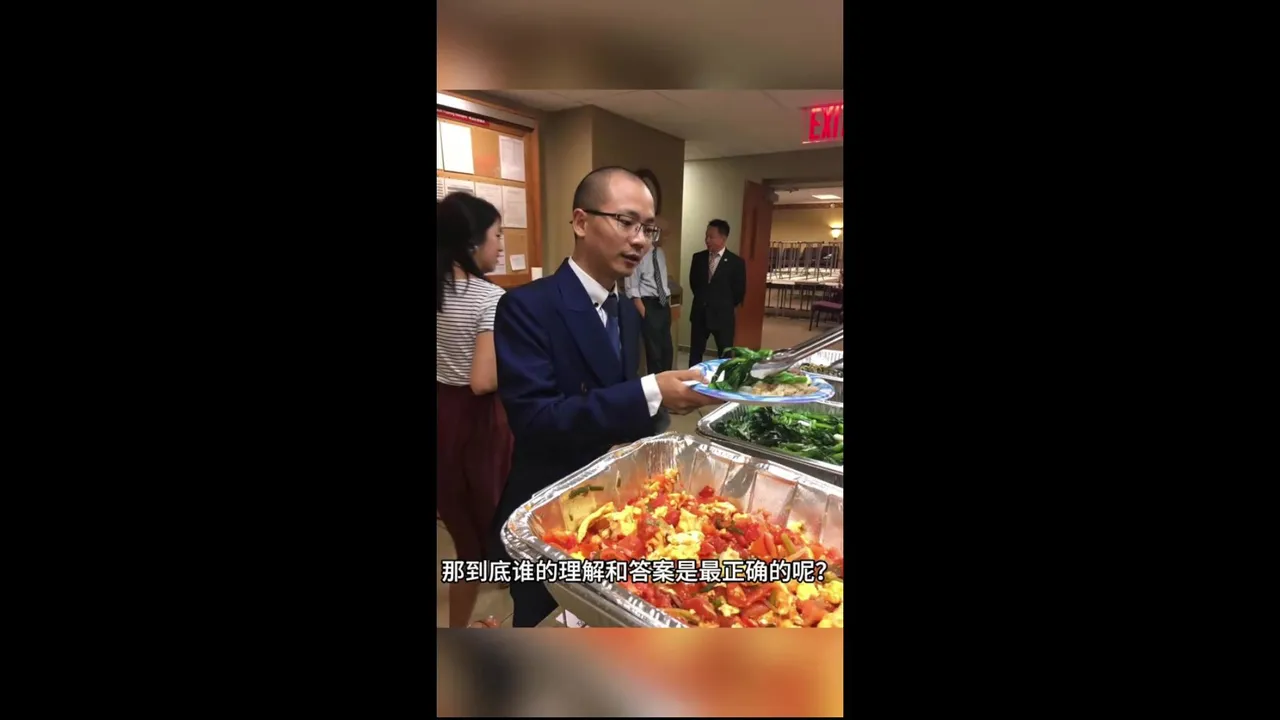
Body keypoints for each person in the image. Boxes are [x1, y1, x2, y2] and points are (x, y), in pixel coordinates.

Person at [489, 166, 721, 627]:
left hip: (613, 506)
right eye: (626, 222)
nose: (640, 240)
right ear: (580, 221)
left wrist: (665, 404)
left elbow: (617, 401)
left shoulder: (625, 311)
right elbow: (536, 421)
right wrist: (651, 390)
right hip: (550, 507)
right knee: (540, 625)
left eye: (648, 228)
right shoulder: (527, 306)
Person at [436, 191, 514, 629]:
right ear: (472, 243)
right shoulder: (489, 298)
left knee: (463, 536)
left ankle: (457, 630)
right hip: (476, 422)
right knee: (501, 520)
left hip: (441, 414)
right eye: (496, 235)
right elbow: (483, 380)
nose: (500, 245)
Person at [624, 169, 675, 374]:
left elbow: (661, 280)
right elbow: (632, 288)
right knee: (654, 354)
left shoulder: (659, 253)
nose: (663, 237)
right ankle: (658, 391)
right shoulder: (637, 254)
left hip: (663, 305)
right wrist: (646, 313)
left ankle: (668, 386)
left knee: (667, 350)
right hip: (649, 306)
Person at [688, 219, 746, 366]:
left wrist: (721, 304)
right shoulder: (698, 258)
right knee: (695, 354)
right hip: (700, 314)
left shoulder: (736, 262)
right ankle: (691, 379)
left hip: (723, 317)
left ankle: (722, 379)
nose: (707, 240)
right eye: (706, 236)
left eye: (711, 237)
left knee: (725, 355)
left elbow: (738, 292)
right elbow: (694, 284)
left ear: (723, 238)